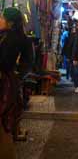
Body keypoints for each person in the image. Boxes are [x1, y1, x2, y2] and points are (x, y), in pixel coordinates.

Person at [0, 8, 32, 158]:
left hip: (5, 83)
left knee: (4, 120)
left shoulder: (12, 39)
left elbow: (5, 62)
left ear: (10, 22)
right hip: (11, 81)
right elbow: (28, 62)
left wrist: (16, 74)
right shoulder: (16, 37)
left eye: (1, 17)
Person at [67, 21, 78, 93]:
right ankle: (76, 86)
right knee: (75, 72)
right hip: (74, 57)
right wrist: (71, 57)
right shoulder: (73, 35)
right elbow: (70, 46)